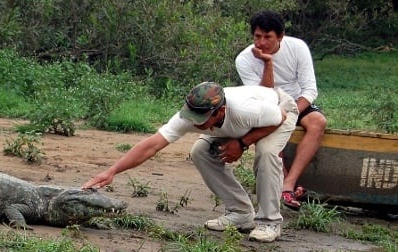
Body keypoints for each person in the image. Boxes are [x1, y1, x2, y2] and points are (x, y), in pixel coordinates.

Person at [82, 82, 298, 243]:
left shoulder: (246, 110)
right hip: (238, 125)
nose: (194, 122)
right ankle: (241, 213)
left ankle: (269, 222)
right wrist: (112, 171)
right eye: (192, 116)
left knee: (267, 153)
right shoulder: (189, 116)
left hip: (279, 109)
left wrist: (242, 143)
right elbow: (152, 145)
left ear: (220, 111)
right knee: (200, 151)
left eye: (201, 119)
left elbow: (279, 117)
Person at [235, 10, 327, 210]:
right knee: (271, 130)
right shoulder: (244, 59)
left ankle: (289, 183)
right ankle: (281, 186)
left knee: (318, 122)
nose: (261, 43)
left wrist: (291, 116)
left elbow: (310, 89)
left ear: (280, 36)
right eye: (257, 37)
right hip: (268, 104)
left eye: (267, 37)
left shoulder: (297, 47)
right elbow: (263, 96)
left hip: (296, 101)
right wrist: (267, 62)